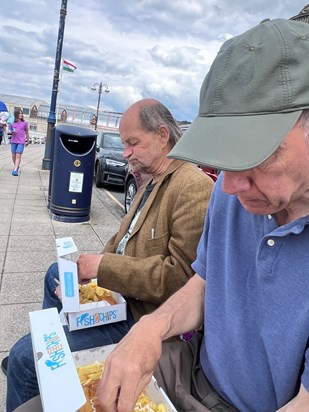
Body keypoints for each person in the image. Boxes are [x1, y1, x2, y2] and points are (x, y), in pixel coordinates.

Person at [86, 18, 308, 412]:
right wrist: (153, 328)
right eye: (222, 155)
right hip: (193, 372)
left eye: (253, 152)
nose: (229, 185)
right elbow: (206, 283)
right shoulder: (232, 191)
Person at [4, 98, 214, 412]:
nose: (125, 152)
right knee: (56, 274)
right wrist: (86, 276)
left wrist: (102, 267)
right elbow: (120, 240)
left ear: (162, 135)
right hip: (117, 300)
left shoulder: (192, 186)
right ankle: (55, 354)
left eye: (133, 143)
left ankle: (38, 364)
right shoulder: (150, 181)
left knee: (23, 357)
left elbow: (181, 277)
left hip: (139, 316)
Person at [10, 109, 30, 176]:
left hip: (21, 142)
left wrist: (28, 140)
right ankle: (16, 165)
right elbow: (9, 131)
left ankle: (15, 170)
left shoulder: (25, 123)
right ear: (16, 114)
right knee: (13, 155)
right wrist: (11, 131)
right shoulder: (12, 123)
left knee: (18, 155)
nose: (21, 114)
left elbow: (27, 132)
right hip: (13, 141)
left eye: (21, 113)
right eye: (19, 113)